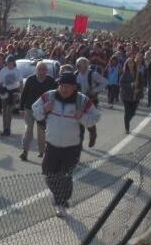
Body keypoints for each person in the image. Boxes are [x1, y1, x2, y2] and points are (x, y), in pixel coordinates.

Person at [32, 72, 101, 217]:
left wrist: (82, 116)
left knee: (65, 176)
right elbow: (35, 111)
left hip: (72, 148)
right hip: (52, 145)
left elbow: (95, 117)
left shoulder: (82, 101)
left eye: (67, 87)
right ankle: (58, 195)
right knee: (47, 173)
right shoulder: (48, 96)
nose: (63, 89)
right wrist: (44, 109)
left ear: (74, 87)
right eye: (61, 86)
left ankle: (61, 204)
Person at [19, 61, 57, 160]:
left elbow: (54, 96)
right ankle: (25, 151)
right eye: (39, 69)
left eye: (44, 69)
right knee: (28, 130)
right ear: (36, 70)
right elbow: (24, 94)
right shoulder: (30, 79)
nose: (41, 72)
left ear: (47, 71)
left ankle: (41, 151)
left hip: (43, 110)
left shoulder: (51, 81)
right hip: (29, 109)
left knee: (41, 131)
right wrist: (21, 108)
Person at [0, 55, 21, 136]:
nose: (9, 64)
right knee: (4, 111)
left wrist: (21, 92)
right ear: (6, 63)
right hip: (5, 91)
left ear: (13, 63)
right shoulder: (3, 70)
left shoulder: (17, 71)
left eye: (11, 62)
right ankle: (4, 129)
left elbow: (21, 82)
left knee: (9, 110)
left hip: (13, 92)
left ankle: (8, 129)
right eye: (8, 62)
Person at [119, 57, 144, 134]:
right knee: (127, 112)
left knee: (133, 112)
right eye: (129, 63)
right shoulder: (124, 73)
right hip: (126, 95)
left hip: (135, 96)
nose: (130, 64)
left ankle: (127, 120)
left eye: (132, 63)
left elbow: (142, 84)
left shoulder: (138, 73)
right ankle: (127, 128)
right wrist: (130, 84)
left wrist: (138, 89)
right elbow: (121, 84)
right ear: (126, 64)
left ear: (134, 64)